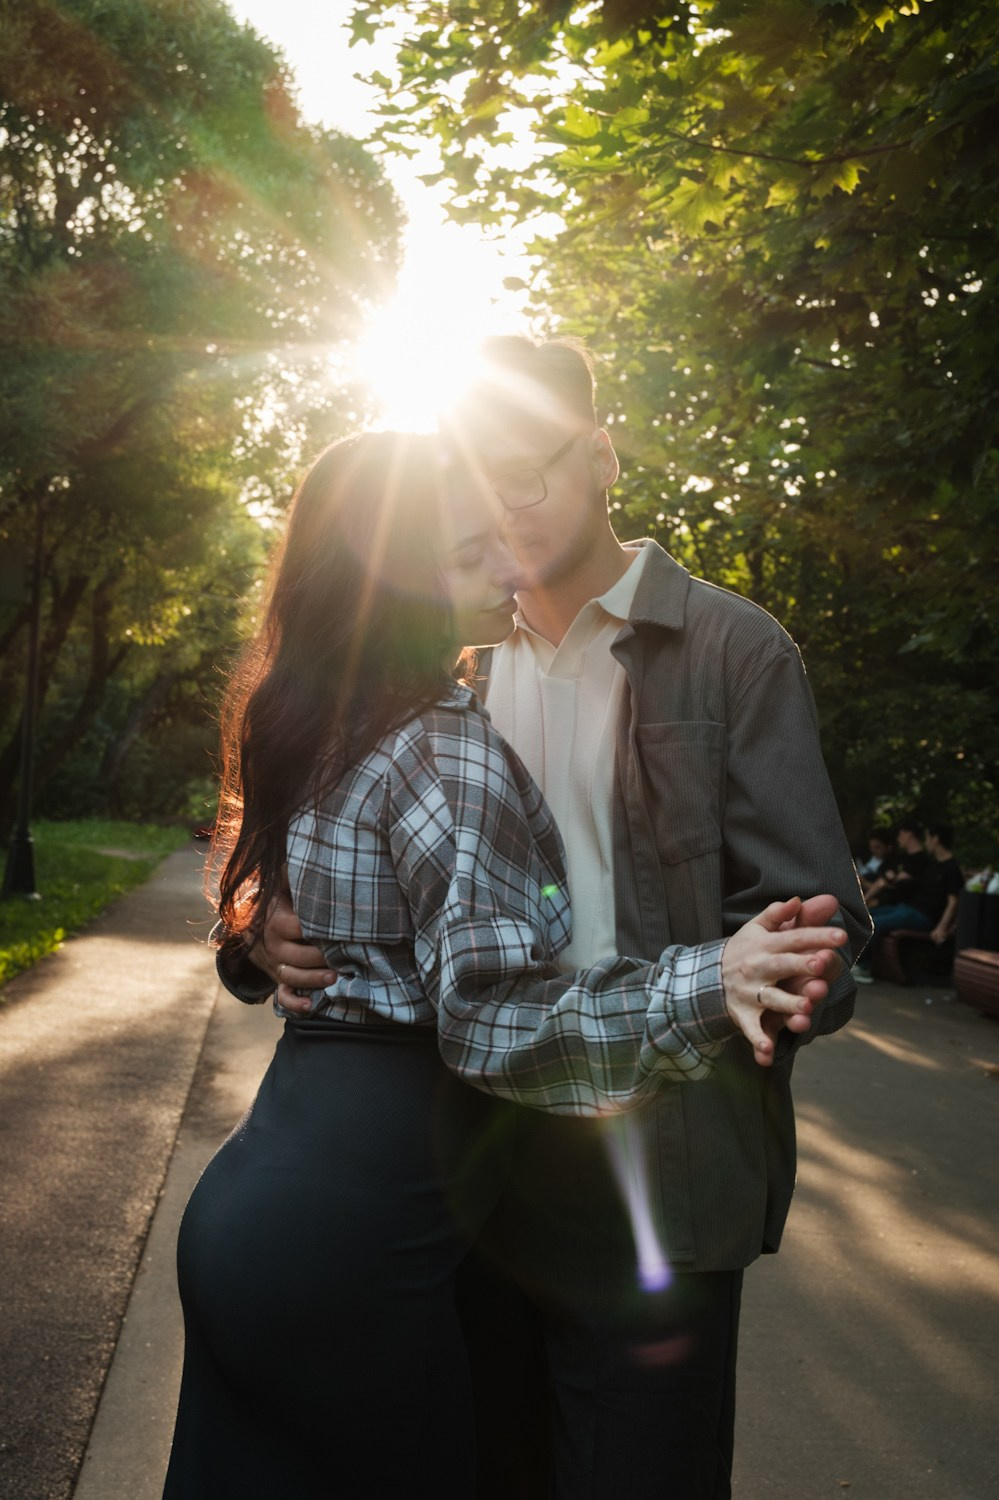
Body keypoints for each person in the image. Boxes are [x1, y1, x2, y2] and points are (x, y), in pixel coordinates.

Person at [165, 430, 847, 1499]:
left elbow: (815, 939)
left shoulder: (728, 648)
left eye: (522, 475)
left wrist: (759, 979)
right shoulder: (440, 688)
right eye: (473, 525)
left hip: (622, 1187)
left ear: (602, 455)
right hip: (451, 1208)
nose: (505, 546)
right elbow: (374, 915)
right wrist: (256, 933)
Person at [854, 820, 963, 982]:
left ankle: (863, 967)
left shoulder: (952, 868)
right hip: (908, 908)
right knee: (865, 914)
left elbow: (953, 902)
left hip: (923, 916)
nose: (926, 842)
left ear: (936, 839)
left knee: (874, 922)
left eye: (928, 838)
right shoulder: (934, 865)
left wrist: (941, 927)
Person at [856, 826, 895, 893]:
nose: (873, 850)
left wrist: (863, 882)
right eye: (871, 847)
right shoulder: (863, 856)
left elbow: (884, 889)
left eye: (877, 847)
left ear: (888, 847)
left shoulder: (891, 866)